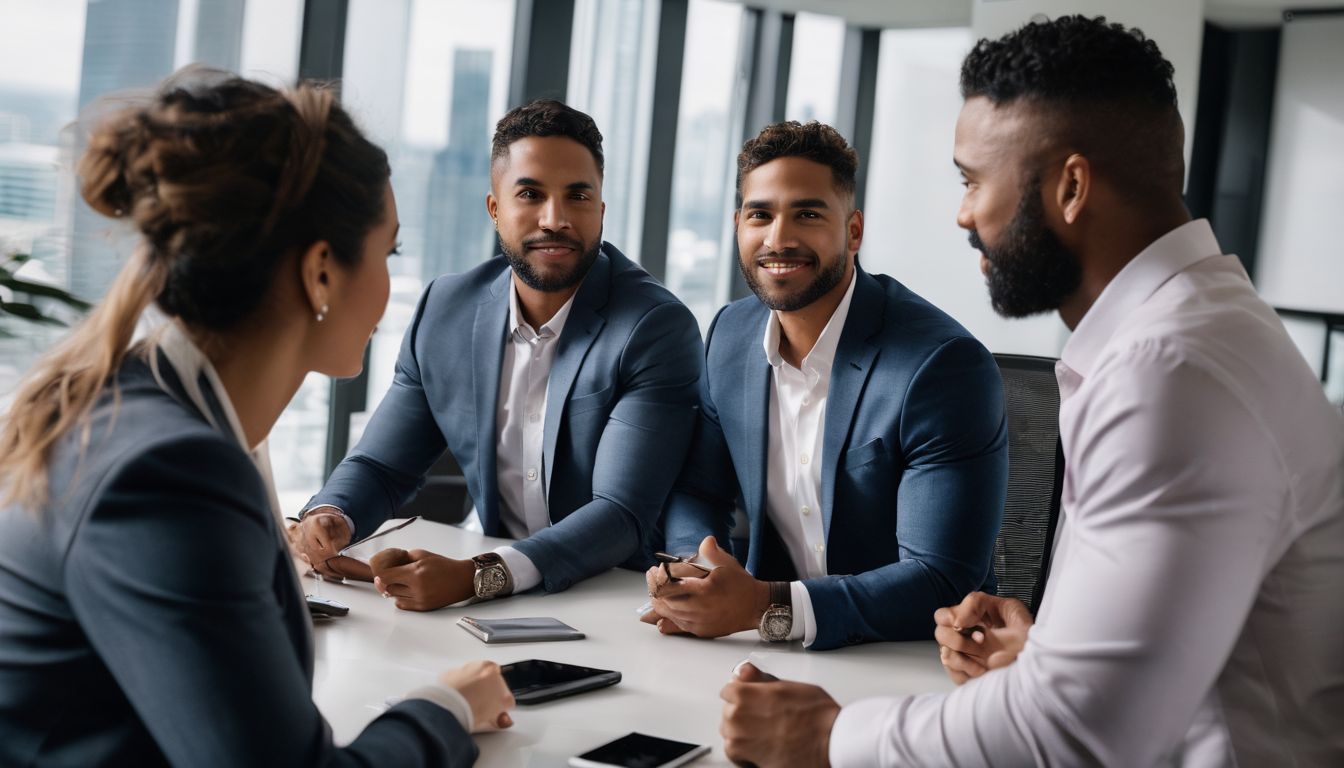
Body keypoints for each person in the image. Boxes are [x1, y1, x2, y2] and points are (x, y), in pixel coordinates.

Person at [717, 15, 1344, 767]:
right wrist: (1048, 649)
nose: (963, 213)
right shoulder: (1199, 332)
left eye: (974, 179)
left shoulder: (1169, 373)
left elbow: (1077, 732)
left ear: (1071, 187)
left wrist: (828, 735)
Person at [0, 70, 514, 766]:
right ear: (321, 273)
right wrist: (446, 706)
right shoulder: (168, 470)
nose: (397, 286)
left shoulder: (144, 408)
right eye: (388, 251)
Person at [291, 99, 703, 610]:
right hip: (498, 600)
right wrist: (331, 515)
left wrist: (477, 577)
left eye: (577, 196)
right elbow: (382, 465)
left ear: (600, 210)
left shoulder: (654, 327)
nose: (555, 220)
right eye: (530, 194)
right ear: (494, 209)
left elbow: (620, 514)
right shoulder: (445, 310)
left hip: (619, 599)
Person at [646, 120, 1008, 651]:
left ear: (853, 231)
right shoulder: (729, 335)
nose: (778, 239)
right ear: (737, 225)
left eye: (808, 214)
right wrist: (696, 571)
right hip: (776, 650)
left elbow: (939, 576)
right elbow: (699, 488)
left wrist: (761, 606)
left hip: (912, 653)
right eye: (760, 215)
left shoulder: (941, 366)